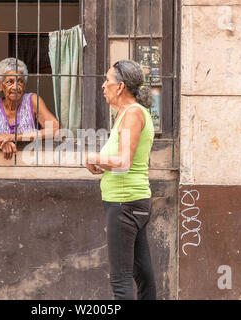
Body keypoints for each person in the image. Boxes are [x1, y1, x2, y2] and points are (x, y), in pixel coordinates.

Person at [85, 60, 156, 300]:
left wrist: (93, 157)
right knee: (142, 275)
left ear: (121, 86)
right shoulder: (126, 114)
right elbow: (124, 160)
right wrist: (102, 163)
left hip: (125, 204)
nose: (103, 85)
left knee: (121, 279)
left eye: (107, 80)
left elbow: (124, 162)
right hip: (132, 202)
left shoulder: (133, 114)